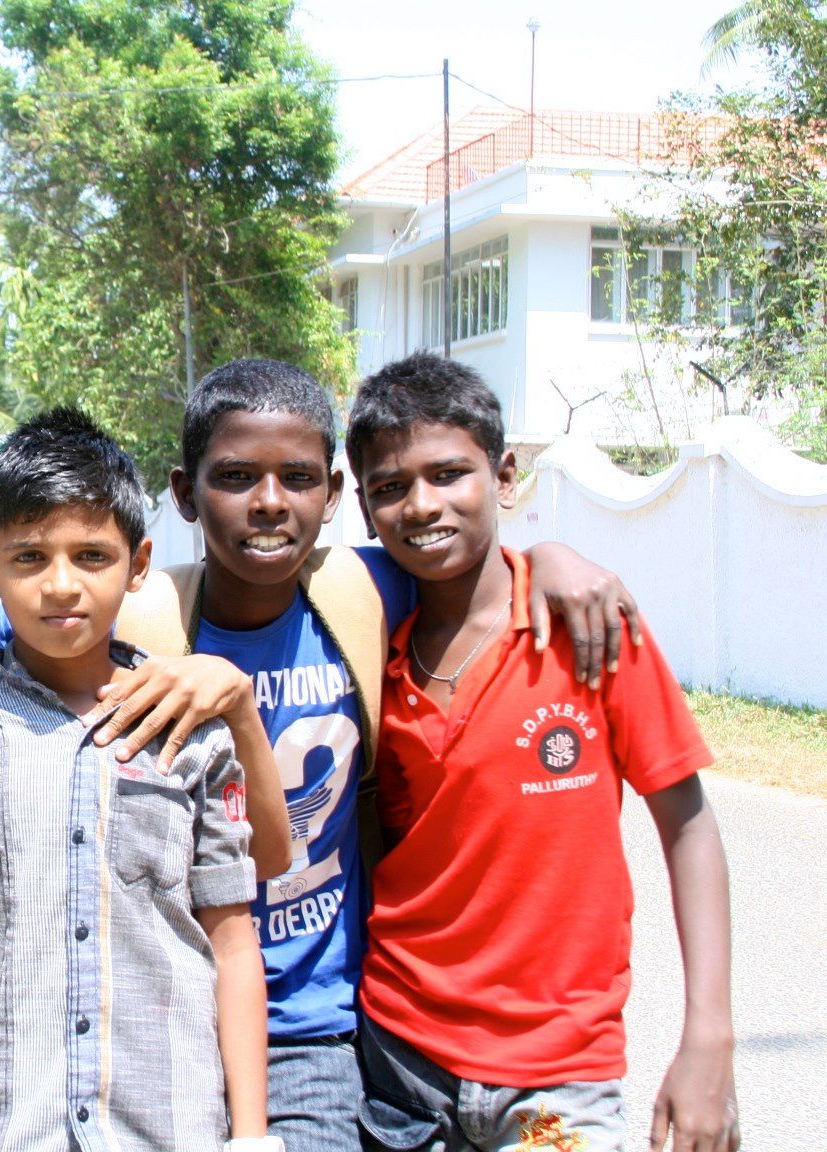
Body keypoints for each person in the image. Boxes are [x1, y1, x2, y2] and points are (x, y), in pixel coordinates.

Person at [101, 358, 645, 1152]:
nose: (268, 502)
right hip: (168, 1020)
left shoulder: (366, 590)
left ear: (331, 494)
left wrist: (554, 558)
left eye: (296, 477)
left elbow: (473, 559)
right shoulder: (133, 622)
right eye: (237, 476)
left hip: (318, 1027)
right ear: (185, 493)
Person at [345, 352, 737, 1152]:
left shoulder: (590, 627)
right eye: (390, 487)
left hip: (561, 1070)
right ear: (364, 505)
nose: (422, 505)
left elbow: (688, 825)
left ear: (505, 475)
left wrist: (710, 1039)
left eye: (450, 473)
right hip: (397, 1051)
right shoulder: (365, 638)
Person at [0, 408, 281, 1152]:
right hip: (14, 1130)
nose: (61, 585)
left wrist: (251, 1137)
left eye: (92, 556)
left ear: (139, 562)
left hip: (175, 1128)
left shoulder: (191, 733)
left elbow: (233, 937)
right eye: (29, 559)